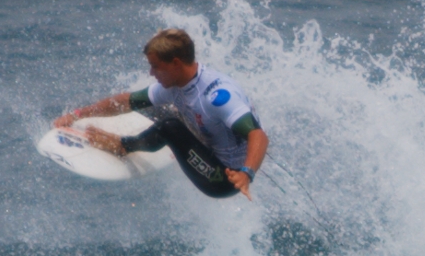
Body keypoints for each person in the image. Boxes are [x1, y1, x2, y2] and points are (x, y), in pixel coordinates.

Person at [53, 28, 268, 199]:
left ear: (175, 63)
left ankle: (123, 146)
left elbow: (259, 135)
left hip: (223, 178)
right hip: (211, 147)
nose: (151, 73)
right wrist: (77, 114)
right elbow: (127, 101)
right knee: (157, 108)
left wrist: (246, 174)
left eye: (155, 67)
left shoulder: (217, 97)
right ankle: (178, 141)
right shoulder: (177, 84)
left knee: (169, 126)